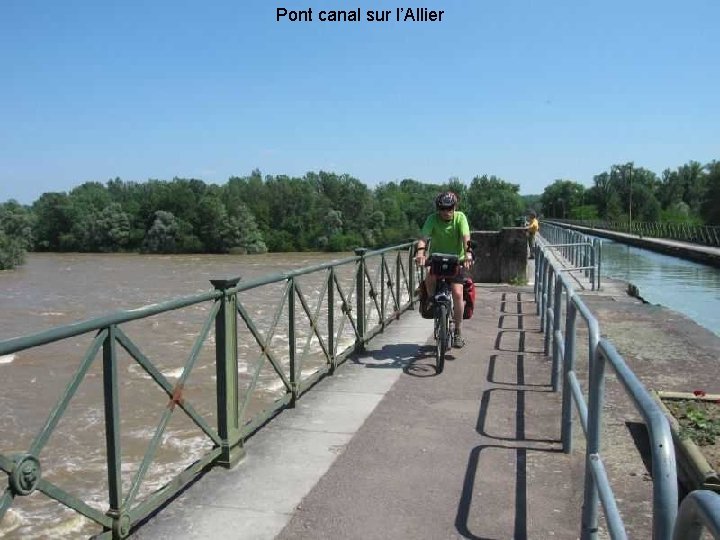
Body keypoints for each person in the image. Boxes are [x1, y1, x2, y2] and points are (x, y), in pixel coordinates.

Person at [414, 191, 473, 348]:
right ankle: (433, 301)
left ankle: (458, 331)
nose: (446, 212)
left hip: (456, 261)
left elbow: (466, 237)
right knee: (429, 278)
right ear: (438, 209)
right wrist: (420, 253)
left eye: (450, 208)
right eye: (443, 209)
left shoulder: (460, 217)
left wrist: (468, 253)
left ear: (455, 207)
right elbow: (423, 238)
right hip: (437, 259)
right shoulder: (432, 219)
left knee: (458, 293)